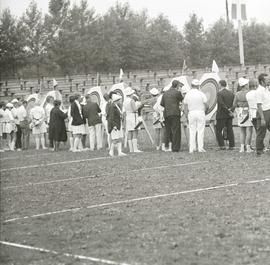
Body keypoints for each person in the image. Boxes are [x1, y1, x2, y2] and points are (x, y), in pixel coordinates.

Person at [183, 79, 208, 153]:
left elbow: (185, 106)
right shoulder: (201, 94)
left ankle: (192, 148)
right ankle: (200, 148)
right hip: (200, 112)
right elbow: (206, 104)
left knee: (192, 130)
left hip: (191, 113)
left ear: (191, 85)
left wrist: (186, 115)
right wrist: (205, 111)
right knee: (200, 130)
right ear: (198, 86)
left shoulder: (188, 94)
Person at [160, 80, 184, 152]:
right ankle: (175, 148)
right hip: (175, 113)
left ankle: (168, 146)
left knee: (168, 130)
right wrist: (181, 91)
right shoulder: (177, 92)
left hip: (167, 113)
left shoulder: (165, 93)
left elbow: (162, 103)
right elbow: (182, 99)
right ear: (177, 86)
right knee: (176, 130)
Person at [232, 77, 253, 153]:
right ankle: (248, 147)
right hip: (248, 111)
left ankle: (241, 147)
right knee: (249, 130)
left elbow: (234, 104)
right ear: (245, 85)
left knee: (242, 130)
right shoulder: (249, 93)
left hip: (240, 111)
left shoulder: (237, 94)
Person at [215, 80, 235, 150]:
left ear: (220, 84)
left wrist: (227, 111)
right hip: (229, 114)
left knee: (218, 130)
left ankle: (222, 145)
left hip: (222, 114)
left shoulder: (220, 93)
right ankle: (231, 145)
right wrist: (231, 111)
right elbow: (234, 104)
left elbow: (221, 104)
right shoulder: (231, 93)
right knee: (230, 129)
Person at [123, 87, 143, 153]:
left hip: (128, 116)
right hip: (133, 116)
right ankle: (135, 149)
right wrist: (139, 106)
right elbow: (134, 109)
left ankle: (131, 149)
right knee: (135, 131)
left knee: (129, 132)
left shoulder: (125, 100)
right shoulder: (131, 100)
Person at [255, 73, 270, 156]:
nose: (269, 80)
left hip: (269, 110)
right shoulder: (259, 91)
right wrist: (262, 118)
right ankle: (259, 150)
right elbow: (259, 105)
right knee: (261, 132)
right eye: (267, 80)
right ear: (262, 81)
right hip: (263, 112)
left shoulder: (266, 89)